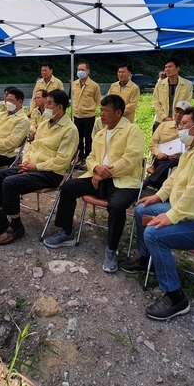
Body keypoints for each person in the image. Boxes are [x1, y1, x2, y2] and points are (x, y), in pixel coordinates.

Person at [120, 108, 194, 321]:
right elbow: (174, 179)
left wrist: (172, 216)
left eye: (184, 124)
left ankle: (175, 296)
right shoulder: (192, 148)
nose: (180, 128)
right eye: (180, 124)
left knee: (154, 233)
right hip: (189, 212)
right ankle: (146, 260)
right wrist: (158, 196)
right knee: (142, 209)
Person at [43, 95, 145, 273]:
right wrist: (97, 168)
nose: (102, 115)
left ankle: (111, 249)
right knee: (68, 187)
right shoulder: (100, 132)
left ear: (119, 113)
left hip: (124, 181)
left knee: (117, 205)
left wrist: (105, 172)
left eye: (106, 111)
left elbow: (131, 159)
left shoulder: (132, 130)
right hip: (97, 177)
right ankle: (67, 233)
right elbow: (90, 158)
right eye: (101, 110)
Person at [0, 89, 78, 245]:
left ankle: (16, 226)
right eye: (46, 103)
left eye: (49, 103)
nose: (46, 106)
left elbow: (62, 161)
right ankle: (1, 221)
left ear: (60, 107)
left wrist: (35, 166)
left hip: (50, 174)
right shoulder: (45, 124)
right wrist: (26, 161)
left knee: (10, 182)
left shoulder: (70, 130)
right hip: (32, 167)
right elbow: (32, 146)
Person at [143, 101, 189, 191]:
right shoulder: (163, 125)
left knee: (171, 162)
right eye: (177, 112)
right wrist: (159, 153)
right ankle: (160, 188)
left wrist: (179, 157)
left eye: (182, 113)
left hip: (179, 161)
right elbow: (153, 144)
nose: (178, 115)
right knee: (166, 163)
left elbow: (191, 149)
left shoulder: (190, 129)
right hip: (161, 158)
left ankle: (151, 181)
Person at [70, 62, 102, 168]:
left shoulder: (94, 85)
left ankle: (88, 158)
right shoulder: (74, 84)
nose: (80, 72)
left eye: (83, 70)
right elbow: (72, 97)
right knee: (78, 138)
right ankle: (79, 157)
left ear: (88, 71)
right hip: (77, 115)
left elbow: (98, 100)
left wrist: (91, 109)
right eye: (79, 69)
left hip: (89, 116)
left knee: (88, 138)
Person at [152, 57, 193, 132]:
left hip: (179, 121)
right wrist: (164, 117)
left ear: (178, 68)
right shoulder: (160, 84)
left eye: (170, 67)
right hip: (161, 121)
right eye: (166, 67)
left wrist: (177, 118)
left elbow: (187, 103)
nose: (167, 69)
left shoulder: (187, 84)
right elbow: (156, 102)